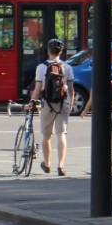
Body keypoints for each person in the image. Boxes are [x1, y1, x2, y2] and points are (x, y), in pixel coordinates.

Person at [29, 38, 75, 176]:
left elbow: (38, 88)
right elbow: (71, 90)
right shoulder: (67, 67)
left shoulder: (41, 67)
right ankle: (60, 165)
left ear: (48, 51)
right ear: (61, 51)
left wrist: (32, 102)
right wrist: (70, 104)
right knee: (61, 134)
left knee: (46, 135)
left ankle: (47, 163)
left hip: (47, 104)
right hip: (63, 103)